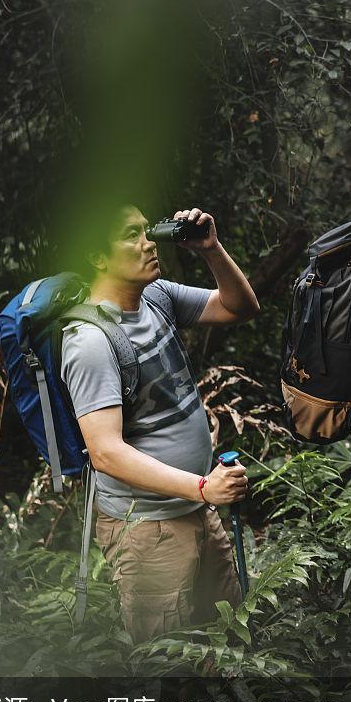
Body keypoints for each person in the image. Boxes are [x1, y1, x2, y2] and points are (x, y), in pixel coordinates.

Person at [61, 204, 260, 642]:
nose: (149, 242)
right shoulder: (89, 341)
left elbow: (239, 307)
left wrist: (211, 250)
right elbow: (106, 452)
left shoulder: (157, 296)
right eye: (131, 235)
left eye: (146, 231)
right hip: (148, 528)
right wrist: (203, 487)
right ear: (97, 257)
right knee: (167, 663)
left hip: (196, 507)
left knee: (224, 640)